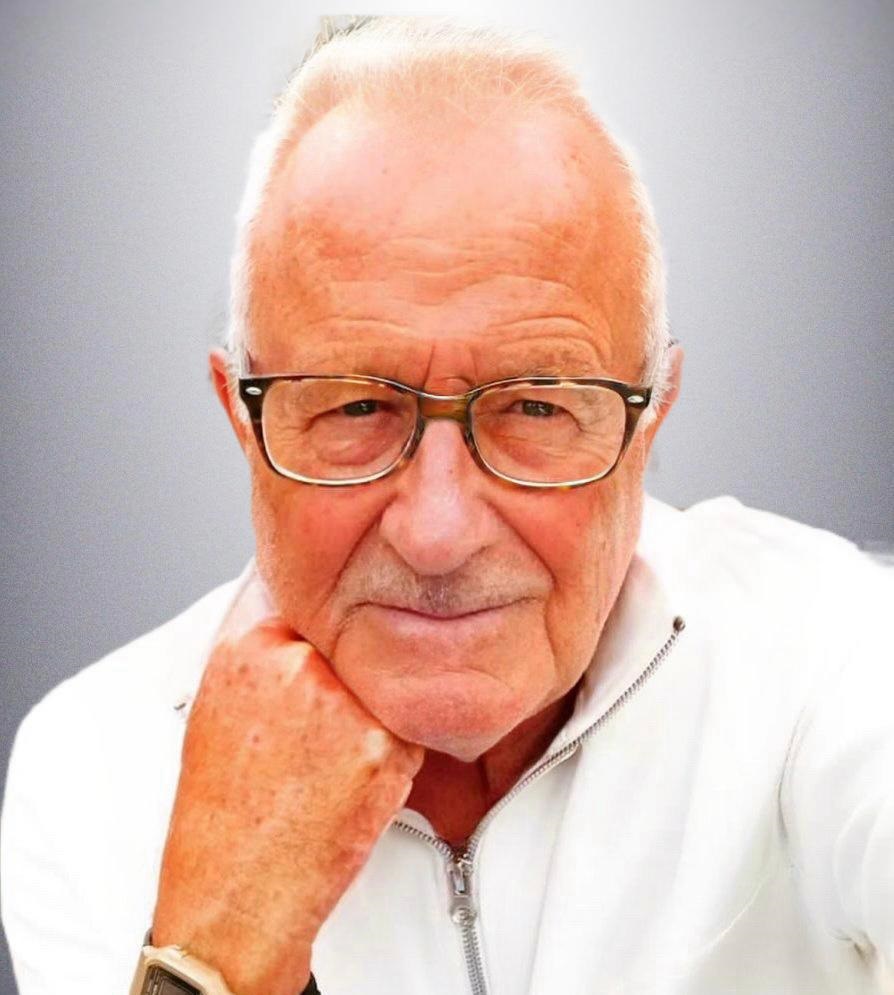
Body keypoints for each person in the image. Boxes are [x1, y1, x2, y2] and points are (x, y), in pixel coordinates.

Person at [1, 15, 892, 995]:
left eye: (537, 406)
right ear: (243, 422)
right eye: (355, 406)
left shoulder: (833, 653)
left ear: (650, 422)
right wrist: (219, 945)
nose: (437, 532)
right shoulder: (91, 768)